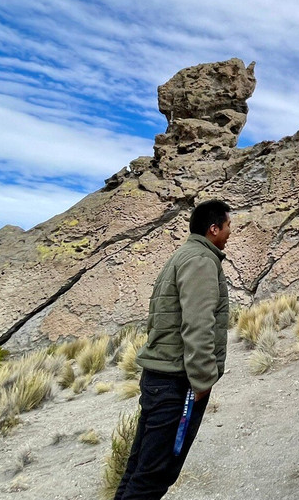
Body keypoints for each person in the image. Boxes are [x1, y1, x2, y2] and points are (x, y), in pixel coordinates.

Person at [114, 200, 232, 500]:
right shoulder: (201, 261)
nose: (231, 231)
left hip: (161, 380)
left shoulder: (182, 256)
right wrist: (203, 381)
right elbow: (198, 324)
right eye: (228, 225)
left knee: (139, 469)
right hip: (176, 384)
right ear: (214, 228)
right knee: (154, 477)